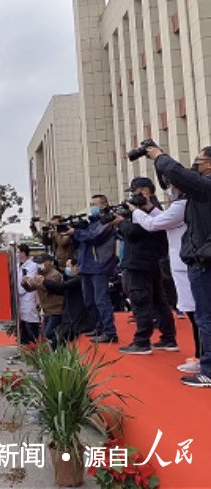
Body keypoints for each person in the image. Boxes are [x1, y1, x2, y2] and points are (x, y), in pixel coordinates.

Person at [148, 145, 211, 387]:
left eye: (199, 161)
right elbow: (173, 178)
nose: (195, 165)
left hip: (203, 261)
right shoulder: (200, 189)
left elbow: (177, 173)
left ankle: (208, 370)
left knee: (205, 317)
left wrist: (159, 155)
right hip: (199, 258)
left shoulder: (205, 187)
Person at [129, 182, 199, 371]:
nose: (169, 191)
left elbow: (153, 225)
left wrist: (136, 212)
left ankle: (202, 358)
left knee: (196, 314)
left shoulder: (182, 205)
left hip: (186, 263)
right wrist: (149, 208)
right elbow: (163, 219)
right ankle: (201, 355)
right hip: (182, 262)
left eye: (172, 186)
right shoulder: (183, 205)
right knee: (194, 312)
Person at [110, 184, 177, 355]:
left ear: (144, 191)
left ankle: (142, 341)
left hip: (140, 262)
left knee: (141, 300)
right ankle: (168, 338)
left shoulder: (148, 210)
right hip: (148, 261)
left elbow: (134, 232)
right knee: (158, 301)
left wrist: (121, 223)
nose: (132, 197)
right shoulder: (152, 209)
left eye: (134, 192)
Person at [68, 195, 119, 343]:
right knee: (89, 301)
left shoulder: (107, 221)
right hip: (86, 266)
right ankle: (99, 327)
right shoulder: (91, 222)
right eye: (90, 204)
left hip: (100, 266)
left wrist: (76, 232)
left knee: (101, 300)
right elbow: (84, 241)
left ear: (104, 205)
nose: (92, 207)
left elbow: (94, 237)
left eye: (94, 204)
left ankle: (109, 331)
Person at [43, 258, 88, 346]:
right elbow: (61, 291)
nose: (67, 269)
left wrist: (44, 281)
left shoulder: (79, 279)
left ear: (76, 266)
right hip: (67, 317)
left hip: (75, 318)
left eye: (68, 266)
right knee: (50, 334)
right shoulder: (72, 278)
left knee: (56, 339)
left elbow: (62, 286)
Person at [22, 253, 64, 340]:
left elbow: (48, 288)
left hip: (56, 310)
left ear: (49, 262)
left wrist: (37, 282)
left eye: (41, 262)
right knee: (46, 334)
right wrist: (25, 282)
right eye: (38, 263)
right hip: (46, 310)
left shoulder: (55, 274)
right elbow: (30, 289)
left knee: (48, 333)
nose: (39, 265)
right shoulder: (40, 274)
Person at [17, 244, 40, 344]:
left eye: (18, 252)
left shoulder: (32, 266)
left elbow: (28, 282)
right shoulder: (18, 265)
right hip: (19, 298)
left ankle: (33, 344)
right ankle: (24, 344)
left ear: (23, 253)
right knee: (22, 323)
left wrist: (19, 291)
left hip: (28, 296)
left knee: (30, 321)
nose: (17, 254)